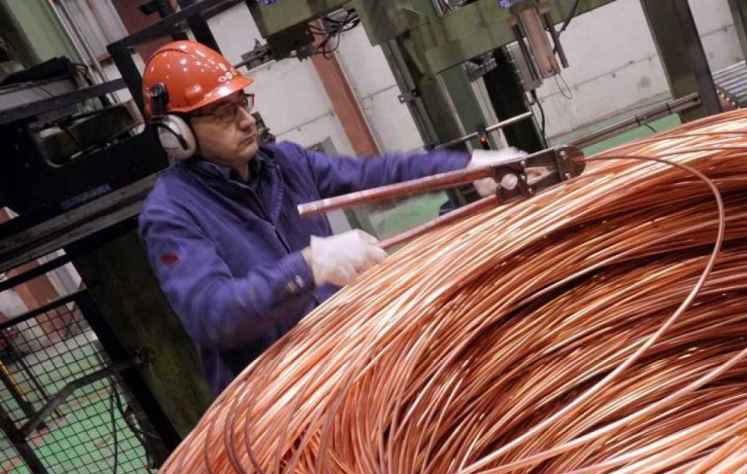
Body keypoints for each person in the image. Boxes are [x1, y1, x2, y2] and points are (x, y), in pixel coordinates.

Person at [138, 41, 521, 395]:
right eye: (224, 114)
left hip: (342, 360)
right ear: (177, 135)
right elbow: (214, 316)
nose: (245, 121)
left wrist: (469, 167)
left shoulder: (283, 163)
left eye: (243, 103)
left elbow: (376, 175)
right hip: (277, 398)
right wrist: (309, 266)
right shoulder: (172, 213)